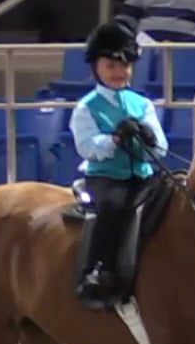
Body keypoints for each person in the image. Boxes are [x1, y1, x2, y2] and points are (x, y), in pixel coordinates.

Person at [70, 21, 169, 311]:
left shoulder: (143, 104)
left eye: (125, 66)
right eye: (112, 65)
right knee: (113, 206)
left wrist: (150, 139)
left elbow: (161, 147)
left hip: (144, 176)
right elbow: (86, 146)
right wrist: (115, 138)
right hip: (107, 177)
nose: (119, 72)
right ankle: (96, 268)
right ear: (96, 68)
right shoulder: (87, 107)